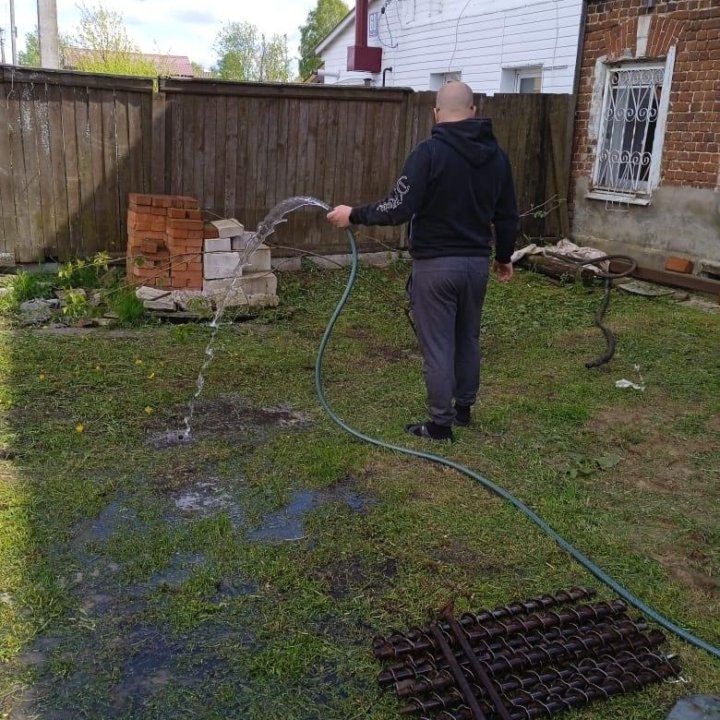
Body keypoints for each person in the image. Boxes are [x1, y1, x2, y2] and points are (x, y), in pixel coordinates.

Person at [327, 81, 518, 442]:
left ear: (435, 113)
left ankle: (440, 425)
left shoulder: (428, 153)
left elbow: (399, 206)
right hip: (476, 266)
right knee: (467, 338)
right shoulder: (498, 157)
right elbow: (507, 214)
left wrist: (354, 214)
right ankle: (463, 409)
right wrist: (504, 256)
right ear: (474, 111)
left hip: (436, 267)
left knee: (439, 345)